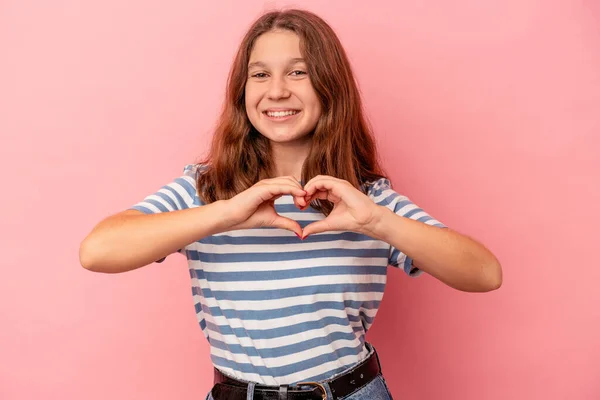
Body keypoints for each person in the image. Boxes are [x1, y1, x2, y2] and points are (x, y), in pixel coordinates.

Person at [79, 8, 502, 400]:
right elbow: (98, 250)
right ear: (243, 90)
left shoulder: (364, 199)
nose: (277, 91)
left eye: (298, 72)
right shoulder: (205, 190)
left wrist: (376, 221)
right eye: (260, 74)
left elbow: (484, 273)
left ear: (328, 86)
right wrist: (227, 213)